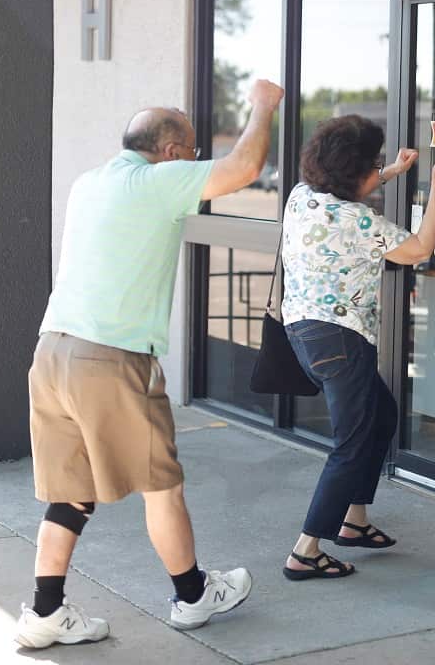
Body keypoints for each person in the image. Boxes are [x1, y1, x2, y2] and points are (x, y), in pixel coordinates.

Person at [15, 79, 285, 649]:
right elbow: (243, 167)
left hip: (52, 351)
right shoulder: (158, 180)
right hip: (109, 360)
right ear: (169, 152)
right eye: (190, 151)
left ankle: (44, 612)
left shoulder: (92, 181)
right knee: (162, 485)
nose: (192, 164)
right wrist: (263, 106)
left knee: (70, 492)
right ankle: (192, 596)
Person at [281, 115, 435, 579]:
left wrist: (395, 169)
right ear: (355, 168)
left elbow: (352, 180)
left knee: (382, 416)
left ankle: (354, 522)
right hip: (341, 340)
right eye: (374, 163)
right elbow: (417, 250)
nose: (378, 169)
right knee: (352, 444)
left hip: (303, 333)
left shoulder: (301, 198)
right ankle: (305, 551)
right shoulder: (358, 221)